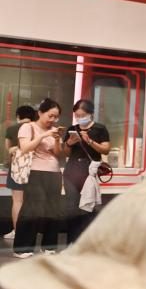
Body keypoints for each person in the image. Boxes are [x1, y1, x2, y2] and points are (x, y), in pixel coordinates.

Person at [13, 99, 64, 257]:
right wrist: (43, 135)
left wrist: (57, 139)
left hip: (54, 172)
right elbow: (25, 148)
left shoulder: (54, 130)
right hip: (35, 171)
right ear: (40, 113)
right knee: (32, 209)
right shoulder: (28, 127)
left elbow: (58, 154)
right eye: (50, 115)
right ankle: (22, 248)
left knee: (53, 209)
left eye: (56, 117)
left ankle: (49, 246)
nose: (53, 120)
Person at [62, 99, 111, 244]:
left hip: (88, 173)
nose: (79, 118)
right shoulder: (72, 129)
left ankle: (85, 242)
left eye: (82, 115)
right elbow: (66, 153)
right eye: (77, 115)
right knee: (71, 206)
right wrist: (69, 143)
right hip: (71, 172)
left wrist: (89, 141)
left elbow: (105, 149)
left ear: (91, 114)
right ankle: (71, 242)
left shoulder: (100, 129)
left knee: (87, 207)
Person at [4, 105, 37, 240]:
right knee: (33, 201)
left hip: (17, 168)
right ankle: (32, 231)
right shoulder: (36, 128)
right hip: (35, 167)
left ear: (18, 116)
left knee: (17, 201)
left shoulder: (11, 129)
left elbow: (8, 148)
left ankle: (17, 231)